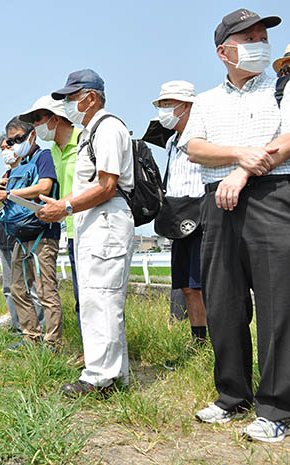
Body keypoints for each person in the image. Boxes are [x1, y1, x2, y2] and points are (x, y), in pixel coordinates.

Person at [178, 8, 290, 442]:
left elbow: (286, 140)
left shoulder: (283, 86)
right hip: (217, 202)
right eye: (250, 36)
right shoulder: (206, 100)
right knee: (224, 302)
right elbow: (196, 148)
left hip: (273, 197)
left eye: (264, 34)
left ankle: (277, 407)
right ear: (224, 51)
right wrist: (238, 156)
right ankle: (232, 395)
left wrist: (244, 168)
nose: (261, 42)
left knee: (277, 305)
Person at [38, 69, 134, 396]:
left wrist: (64, 208)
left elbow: (107, 186)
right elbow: (88, 186)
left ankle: (98, 377)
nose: (66, 106)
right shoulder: (90, 132)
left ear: (90, 98)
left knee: (101, 299)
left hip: (106, 219)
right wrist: (59, 204)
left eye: (70, 98)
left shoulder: (107, 128)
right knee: (96, 297)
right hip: (93, 221)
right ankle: (115, 374)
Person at [0, 118, 62, 351]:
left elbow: (45, 187)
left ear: (31, 136)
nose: (15, 144)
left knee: (46, 290)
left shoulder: (43, 157)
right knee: (17, 288)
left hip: (43, 234)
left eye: (19, 139)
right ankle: (31, 336)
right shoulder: (17, 166)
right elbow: (10, 200)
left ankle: (52, 342)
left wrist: (8, 193)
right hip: (20, 235)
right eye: (11, 141)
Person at [18, 96, 83, 336]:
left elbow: (95, 186)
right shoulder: (53, 151)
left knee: (97, 296)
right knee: (80, 295)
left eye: (37, 119)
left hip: (95, 227)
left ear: (55, 118)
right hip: (73, 229)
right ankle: (90, 351)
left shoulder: (85, 142)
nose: (35, 126)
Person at [151, 81, 207, 345]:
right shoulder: (172, 142)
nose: (164, 110)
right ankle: (199, 343)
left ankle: (219, 342)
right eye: (162, 105)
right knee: (186, 285)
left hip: (202, 214)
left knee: (203, 284)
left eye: (167, 104)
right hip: (177, 216)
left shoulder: (204, 136)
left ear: (186, 106)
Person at [0, 133, 44, 333]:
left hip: (23, 234)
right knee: (10, 286)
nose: (6, 151)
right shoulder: (5, 177)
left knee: (29, 287)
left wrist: (9, 193)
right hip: (4, 234)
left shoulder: (30, 171)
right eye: (3, 148)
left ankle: (36, 328)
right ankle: (17, 326)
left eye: (9, 145)